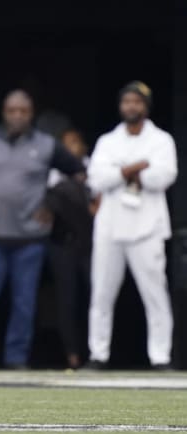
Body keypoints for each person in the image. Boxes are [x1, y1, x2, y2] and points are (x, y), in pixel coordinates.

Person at [0, 90, 85, 369]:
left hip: (30, 238)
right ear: (4, 112)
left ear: (31, 113)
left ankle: (16, 358)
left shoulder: (47, 145)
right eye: (12, 110)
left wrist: (52, 203)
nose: (17, 116)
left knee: (24, 302)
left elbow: (78, 172)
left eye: (23, 111)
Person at [85, 81, 177, 370]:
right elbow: (96, 179)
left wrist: (122, 172)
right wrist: (133, 168)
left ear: (146, 106)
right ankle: (98, 354)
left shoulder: (161, 140)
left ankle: (160, 357)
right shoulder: (108, 141)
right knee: (101, 293)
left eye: (136, 102)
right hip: (110, 226)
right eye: (127, 102)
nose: (131, 107)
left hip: (147, 226)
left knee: (155, 293)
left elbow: (163, 176)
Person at [44, 128, 98, 369]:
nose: (70, 148)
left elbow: (100, 203)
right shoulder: (53, 176)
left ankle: (96, 352)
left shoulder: (95, 171)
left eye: (74, 143)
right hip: (62, 244)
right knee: (66, 300)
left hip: (90, 245)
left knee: (95, 298)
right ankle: (72, 354)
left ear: (83, 147)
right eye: (65, 144)